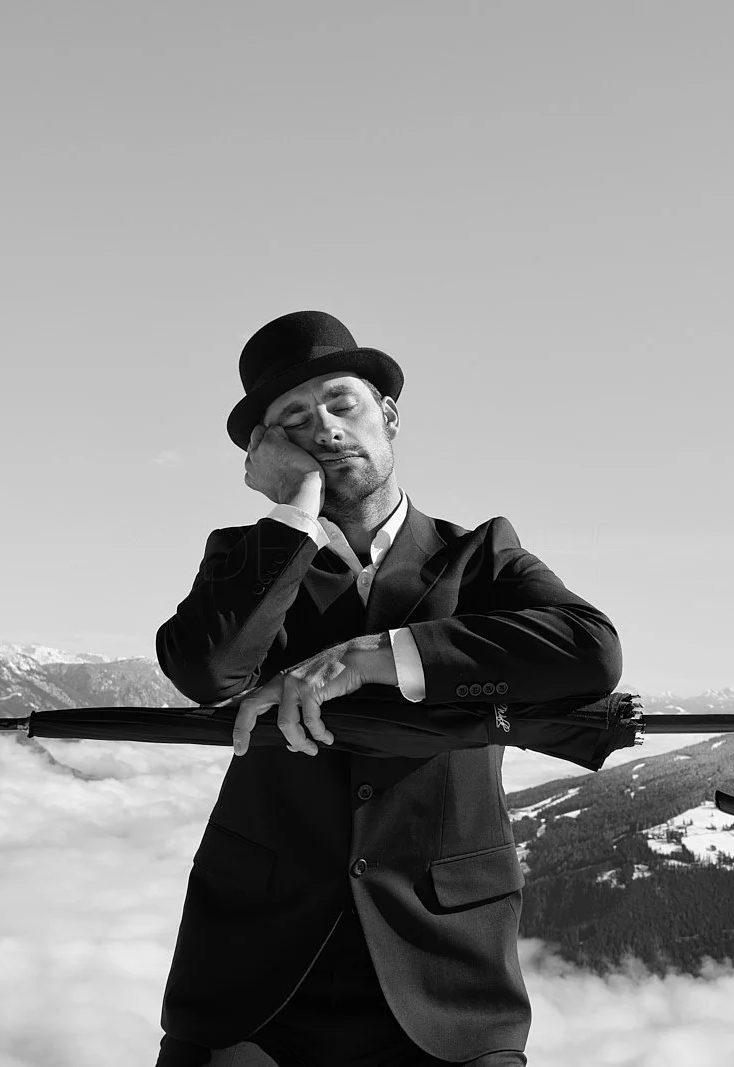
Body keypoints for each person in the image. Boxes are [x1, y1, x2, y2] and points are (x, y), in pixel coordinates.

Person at [154, 311, 621, 1066]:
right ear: (267, 452)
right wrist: (293, 517)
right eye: (294, 421)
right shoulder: (247, 557)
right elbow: (205, 672)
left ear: (389, 415)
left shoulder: (481, 555)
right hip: (252, 979)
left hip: (446, 978)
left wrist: (377, 655)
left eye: (342, 403)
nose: (327, 429)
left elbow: (590, 649)